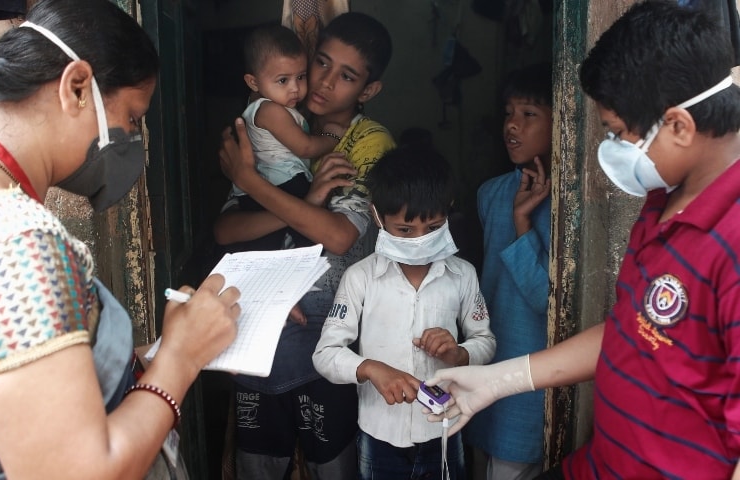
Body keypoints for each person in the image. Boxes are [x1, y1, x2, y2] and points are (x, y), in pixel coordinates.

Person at [425, 1, 740, 478]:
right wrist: (496, 380)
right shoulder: (664, 201)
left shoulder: (732, 243)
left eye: (617, 134)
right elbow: (631, 330)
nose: (609, 150)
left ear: (678, 125)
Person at [0, 1, 240, 479]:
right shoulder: (12, 244)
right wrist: (179, 362)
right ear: (77, 87)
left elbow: (20, 387)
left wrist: (164, 350)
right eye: (132, 118)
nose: (132, 139)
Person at [217, 11, 395, 480]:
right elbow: (225, 232)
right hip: (261, 321)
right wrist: (255, 186)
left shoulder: (368, 143)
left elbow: (339, 234)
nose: (323, 82)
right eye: (321, 63)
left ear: (368, 90)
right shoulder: (273, 129)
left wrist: (249, 181)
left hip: (327, 330)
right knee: (259, 457)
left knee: (330, 459)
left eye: (347, 75)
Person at [312, 144, 496, 480]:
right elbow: (325, 354)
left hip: (444, 430)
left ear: (448, 212)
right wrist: (370, 368)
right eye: (405, 230)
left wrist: (459, 353)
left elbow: (485, 341)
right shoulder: (360, 278)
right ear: (377, 216)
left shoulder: (462, 275)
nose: (419, 241)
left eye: (432, 228)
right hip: (379, 433)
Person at [465, 62, 552, 480]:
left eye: (529, 114)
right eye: (508, 113)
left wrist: (523, 224)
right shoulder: (491, 192)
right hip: (485, 356)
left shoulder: (571, 204)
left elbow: (546, 302)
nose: (512, 125)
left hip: (530, 376)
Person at [224, 24, 346, 253]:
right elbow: (305, 148)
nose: (295, 89)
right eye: (283, 80)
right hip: (285, 182)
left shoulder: (265, 106)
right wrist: (332, 137)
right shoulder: (270, 111)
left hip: (273, 184)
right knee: (309, 237)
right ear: (253, 82)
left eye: (300, 77)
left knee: (278, 243)